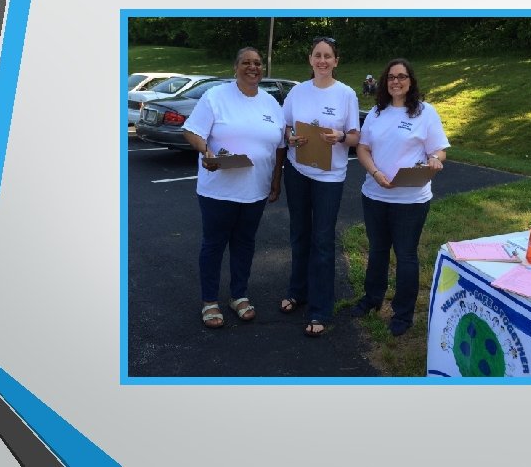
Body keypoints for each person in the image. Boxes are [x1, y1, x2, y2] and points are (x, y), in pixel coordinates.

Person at [181, 47, 286, 328]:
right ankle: (209, 301)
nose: (253, 67)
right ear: (235, 67)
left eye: (258, 63)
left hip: (255, 191)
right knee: (214, 245)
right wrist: (206, 152)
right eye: (246, 63)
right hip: (218, 190)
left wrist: (276, 181)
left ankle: (239, 295)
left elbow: (280, 147)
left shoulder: (271, 103)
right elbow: (191, 131)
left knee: (245, 245)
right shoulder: (216, 96)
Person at [353, 58, 450, 336]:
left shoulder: (424, 112)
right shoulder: (376, 112)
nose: (396, 81)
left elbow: (440, 150)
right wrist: (374, 173)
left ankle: (403, 314)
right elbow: (362, 149)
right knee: (377, 250)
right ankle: (372, 299)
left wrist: (433, 158)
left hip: (411, 200)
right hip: (374, 194)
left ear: (411, 81)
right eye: (391, 77)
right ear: (385, 82)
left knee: (406, 256)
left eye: (402, 76)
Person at [282, 37, 360, 337]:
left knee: (323, 241)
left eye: (328, 56)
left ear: (336, 61)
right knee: (299, 234)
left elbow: (355, 136)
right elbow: (285, 125)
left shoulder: (346, 94)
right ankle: (297, 291)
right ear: (310, 59)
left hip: (329, 177)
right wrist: (290, 137)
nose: (322, 61)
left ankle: (320, 308)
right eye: (318, 55)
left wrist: (340, 137)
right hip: (298, 171)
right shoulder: (297, 92)